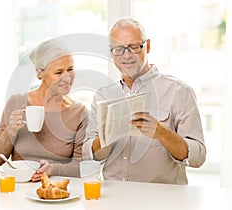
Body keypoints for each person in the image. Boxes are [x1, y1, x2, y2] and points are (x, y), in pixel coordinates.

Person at [83, 17, 206, 185]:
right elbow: (90, 154)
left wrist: (161, 133)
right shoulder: (102, 95)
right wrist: (106, 137)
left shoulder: (179, 92)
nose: (126, 56)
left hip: (160, 200)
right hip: (112, 198)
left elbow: (198, 157)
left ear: (147, 46)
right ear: (111, 52)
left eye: (134, 47)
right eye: (119, 49)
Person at [0, 38, 88, 182]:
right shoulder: (16, 103)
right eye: (59, 72)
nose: (67, 78)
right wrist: (10, 131)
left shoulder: (79, 113)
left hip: (56, 190)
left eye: (70, 69)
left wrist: (52, 169)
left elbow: (80, 167)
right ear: (40, 73)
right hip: (19, 189)